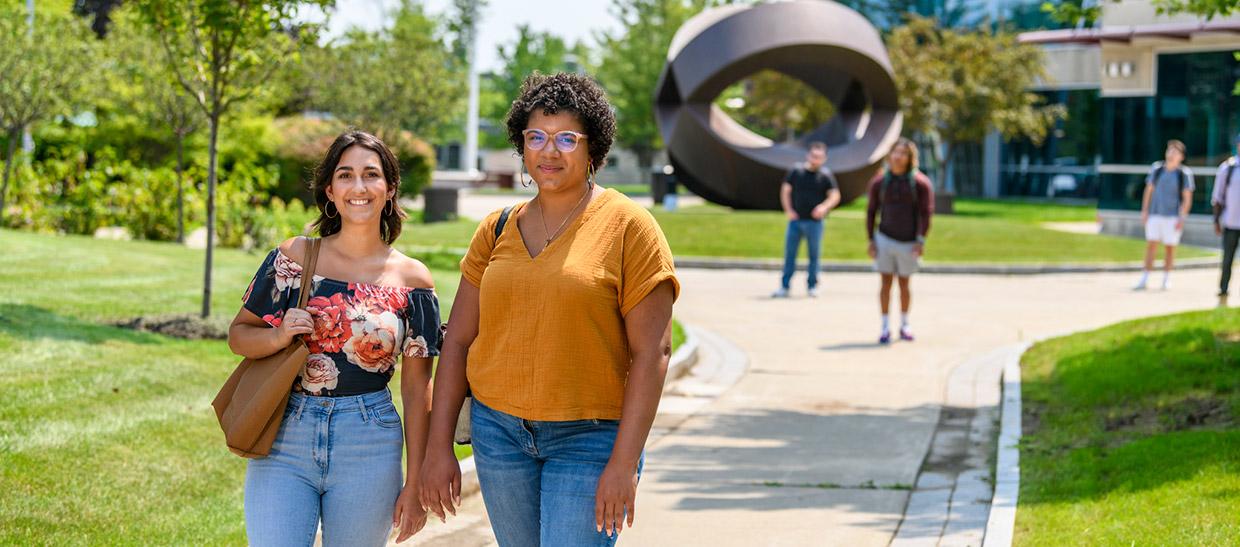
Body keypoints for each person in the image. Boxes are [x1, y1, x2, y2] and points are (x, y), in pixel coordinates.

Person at [418, 73, 679, 546]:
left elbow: (653, 354)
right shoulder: (496, 228)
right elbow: (456, 341)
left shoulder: (630, 227)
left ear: (592, 147)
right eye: (535, 137)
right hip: (499, 435)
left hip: (591, 439)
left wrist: (623, 464)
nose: (549, 151)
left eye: (566, 139)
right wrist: (439, 449)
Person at [228, 131, 441, 546]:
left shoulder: (414, 280)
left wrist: (415, 482)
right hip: (286, 435)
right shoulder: (294, 257)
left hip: (370, 442)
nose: (358, 187)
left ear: (390, 188)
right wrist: (279, 335)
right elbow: (239, 335)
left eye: (370, 175)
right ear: (330, 189)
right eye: (345, 175)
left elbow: (418, 390)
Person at [866, 137, 934, 344]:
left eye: (903, 153)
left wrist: (920, 240)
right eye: (895, 152)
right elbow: (871, 212)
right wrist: (871, 240)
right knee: (885, 283)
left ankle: (905, 323)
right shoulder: (880, 181)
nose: (898, 156)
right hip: (884, 238)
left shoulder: (920, 183)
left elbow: (926, 213)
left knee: (904, 283)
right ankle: (885, 325)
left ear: (910, 157)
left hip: (908, 242)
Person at [772, 142, 841, 298]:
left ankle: (812, 285)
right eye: (813, 156)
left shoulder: (825, 175)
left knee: (814, 255)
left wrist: (824, 207)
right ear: (808, 155)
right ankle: (784, 286)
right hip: (795, 221)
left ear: (824, 159)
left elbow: (835, 195)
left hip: (815, 223)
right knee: (790, 255)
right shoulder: (796, 171)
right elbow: (785, 191)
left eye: (819, 157)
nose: (815, 159)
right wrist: (788, 210)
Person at [1135, 140, 1195, 291]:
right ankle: (1145, 277)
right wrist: (1145, 211)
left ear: (1181, 156)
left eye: (1175, 152)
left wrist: (1182, 218)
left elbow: (1187, 198)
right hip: (1155, 214)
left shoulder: (1184, 174)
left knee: (1170, 248)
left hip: (1173, 217)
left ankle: (1166, 279)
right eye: (1169, 150)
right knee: (1151, 246)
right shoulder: (1157, 169)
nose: (1171, 154)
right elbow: (1148, 191)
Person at [1213, 133, 1240, 302]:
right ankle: (1223, 289)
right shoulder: (1227, 168)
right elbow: (1217, 197)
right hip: (1231, 222)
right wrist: (1216, 220)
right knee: (1227, 258)